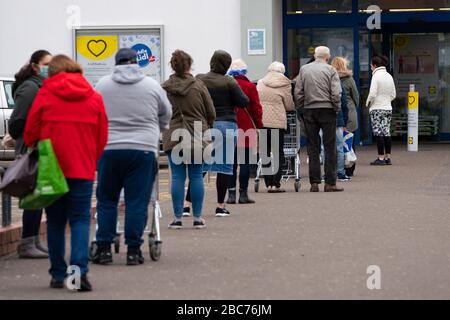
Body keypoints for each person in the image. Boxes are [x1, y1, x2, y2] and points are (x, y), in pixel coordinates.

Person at [23, 55, 108, 291]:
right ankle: (78, 274)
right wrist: (91, 159)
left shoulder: (45, 94)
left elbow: (30, 133)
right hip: (82, 168)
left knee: (55, 222)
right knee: (80, 220)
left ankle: (58, 274)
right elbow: (102, 137)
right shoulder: (94, 97)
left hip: (52, 169)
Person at [93, 48, 172, 265]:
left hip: (109, 149)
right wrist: (157, 129)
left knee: (107, 199)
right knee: (137, 201)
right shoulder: (151, 85)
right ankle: (134, 250)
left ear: (116, 63)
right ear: (137, 62)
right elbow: (166, 112)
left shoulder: (102, 85)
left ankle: (103, 248)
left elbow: (94, 113)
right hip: (143, 148)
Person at [162, 50, 216, 230]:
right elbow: (211, 112)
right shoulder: (198, 86)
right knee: (196, 176)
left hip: (174, 134)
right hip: (197, 133)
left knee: (177, 176)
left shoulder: (165, 87)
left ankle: (177, 218)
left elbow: (160, 112)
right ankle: (198, 217)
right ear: (189, 65)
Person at [193, 50, 249, 217]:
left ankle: (187, 205)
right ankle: (220, 206)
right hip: (226, 124)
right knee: (224, 168)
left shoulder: (199, 78)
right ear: (226, 65)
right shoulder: (229, 81)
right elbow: (243, 101)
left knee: (200, 167)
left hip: (204, 126)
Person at [9, 50, 52, 259]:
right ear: (35, 66)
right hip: (29, 149)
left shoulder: (40, 86)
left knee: (39, 196)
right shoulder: (30, 88)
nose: (49, 68)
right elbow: (16, 123)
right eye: (46, 64)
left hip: (38, 147)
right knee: (33, 197)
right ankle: (27, 243)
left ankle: (33, 240)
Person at [294, 46, 344, 193]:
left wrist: (302, 108)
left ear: (315, 56)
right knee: (330, 147)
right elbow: (336, 93)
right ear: (327, 57)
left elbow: (298, 92)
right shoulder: (331, 70)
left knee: (313, 147)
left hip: (310, 110)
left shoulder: (304, 69)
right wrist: (336, 108)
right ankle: (330, 183)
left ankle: (314, 183)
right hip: (327, 110)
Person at [226, 59, 263, 204]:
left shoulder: (226, 86)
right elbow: (256, 108)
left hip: (229, 127)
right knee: (246, 162)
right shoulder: (250, 86)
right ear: (244, 72)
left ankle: (230, 194)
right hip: (247, 127)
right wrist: (259, 124)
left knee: (231, 163)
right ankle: (243, 194)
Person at [257, 62, 295, 193]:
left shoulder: (261, 82)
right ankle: (276, 183)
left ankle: (268, 183)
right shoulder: (285, 84)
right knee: (278, 152)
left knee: (265, 152)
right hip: (277, 123)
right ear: (282, 71)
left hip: (262, 121)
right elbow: (289, 105)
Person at [331, 57, 360, 177]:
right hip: (350, 112)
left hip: (335, 113)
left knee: (334, 143)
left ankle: (337, 168)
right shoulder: (349, 79)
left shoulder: (330, 78)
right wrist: (353, 107)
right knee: (349, 140)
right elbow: (356, 97)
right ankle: (349, 168)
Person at [366, 55, 396, 166]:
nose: (371, 68)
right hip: (388, 108)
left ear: (374, 65)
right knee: (386, 132)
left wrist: (368, 103)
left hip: (377, 108)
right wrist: (386, 100)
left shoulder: (376, 76)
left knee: (378, 133)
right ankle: (388, 157)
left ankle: (380, 157)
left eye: (371, 66)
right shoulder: (389, 76)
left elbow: (372, 93)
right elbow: (393, 94)